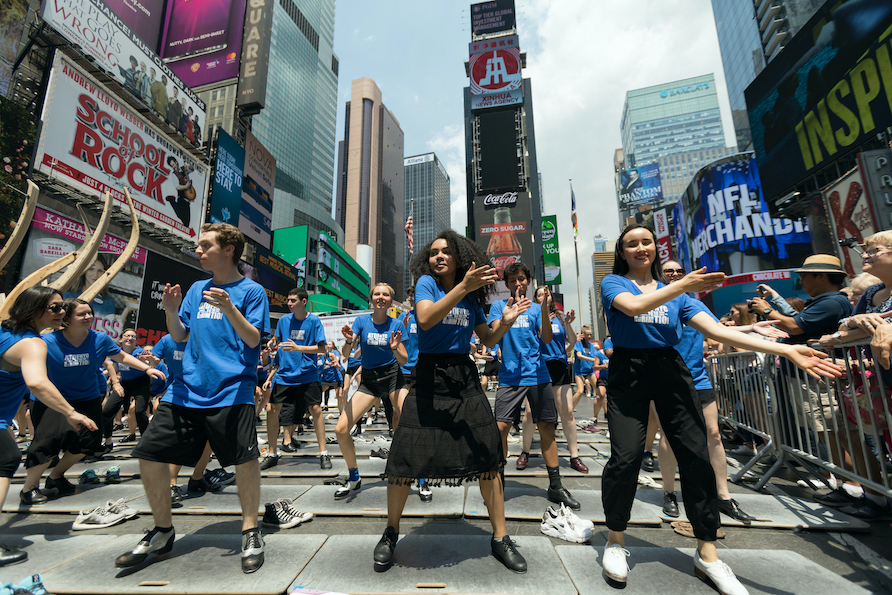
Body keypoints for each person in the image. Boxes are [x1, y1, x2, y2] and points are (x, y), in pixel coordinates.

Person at [598, 224, 841, 593]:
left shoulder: (680, 296)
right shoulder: (614, 284)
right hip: (627, 372)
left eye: (647, 241)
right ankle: (615, 540)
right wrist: (681, 285)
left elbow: (721, 332)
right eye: (632, 244)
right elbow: (634, 307)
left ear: (654, 248)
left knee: (697, 456)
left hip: (670, 368)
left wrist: (786, 348)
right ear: (623, 252)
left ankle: (707, 553)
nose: (641, 248)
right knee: (626, 457)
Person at [115, 222, 270, 574]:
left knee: (244, 461)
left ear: (229, 249)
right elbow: (180, 336)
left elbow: (252, 340)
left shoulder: (251, 292)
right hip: (185, 389)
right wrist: (170, 310)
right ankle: (162, 530)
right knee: (150, 453)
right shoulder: (197, 289)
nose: (198, 251)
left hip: (232, 389)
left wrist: (231, 309)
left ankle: (249, 530)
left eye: (205, 246)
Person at [377, 230, 530, 573]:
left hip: (464, 377)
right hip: (428, 377)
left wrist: (504, 323)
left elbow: (487, 337)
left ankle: (500, 537)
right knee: (404, 456)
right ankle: (390, 532)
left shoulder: (473, 298)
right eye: (433, 253)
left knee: (488, 455)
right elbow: (426, 318)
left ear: (459, 256)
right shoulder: (428, 285)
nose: (439, 257)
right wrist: (464, 286)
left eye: (446, 252)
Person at [22, 299, 164, 505]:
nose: (88, 317)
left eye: (90, 313)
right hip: (52, 400)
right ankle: (29, 488)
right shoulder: (46, 341)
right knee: (48, 442)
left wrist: (146, 368)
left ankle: (55, 477)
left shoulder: (100, 339)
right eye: (82, 314)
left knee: (88, 442)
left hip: (86, 398)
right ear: (67, 319)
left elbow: (121, 356)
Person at [0, 287, 98, 565]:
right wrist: (70, 412)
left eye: (62, 307)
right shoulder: (34, 344)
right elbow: (37, 382)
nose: (62, 312)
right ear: (34, 309)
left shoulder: (6, 332)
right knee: (6, 459)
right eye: (54, 307)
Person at [657, 260, 757, 524]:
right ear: (661, 276)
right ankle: (669, 492)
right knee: (669, 437)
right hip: (668, 379)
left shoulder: (696, 304)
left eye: (680, 271)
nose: (675, 274)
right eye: (669, 271)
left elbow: (719, 332)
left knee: (713, 434)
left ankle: (723, 496)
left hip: (699, 379)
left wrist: (754, 327)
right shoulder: (655, 302)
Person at [488, 262, 579, 510]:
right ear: (506, 284)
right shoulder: (498, 306)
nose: (517, 284)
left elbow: (547, 338)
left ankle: (555, 485)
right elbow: (492, 336)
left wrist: (544, 309)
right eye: (512, 280)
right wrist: (508, 317)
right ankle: (498, 481)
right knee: (501, 427)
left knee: (547, 427)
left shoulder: (538, 309)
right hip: (509, 376)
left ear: (528, 281)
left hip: (538, 375)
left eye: (521, 279)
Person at [336, 284, 408, 500]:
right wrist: (349, 341)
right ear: (371, 298)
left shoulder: (396, 323)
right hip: (369, 380)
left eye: (385, 294)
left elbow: (404, 359)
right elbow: (346, 354)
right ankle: (354, 475)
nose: (381, 297)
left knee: (407, 422)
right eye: (377, 294)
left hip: (394, 377)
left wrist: (395, 347)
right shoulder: (361, 321)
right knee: (341, 429)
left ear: (390, 300)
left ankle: (418, 475)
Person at [517, 287, 588, 473]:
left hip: (559, 367)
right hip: (539, 367)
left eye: (546, 294)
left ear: (551, 298)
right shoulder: (532, 315)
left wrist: (570, 324)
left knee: (568, 412)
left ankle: (574, 456)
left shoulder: (560, 318)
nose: (543, 296)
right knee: (531, 413)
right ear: (535, 299)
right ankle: (525, 452)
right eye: (540, 294)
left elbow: (572, 342)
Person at [258, 288, 327, 469]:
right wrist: (273, 341)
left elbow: (322, 349)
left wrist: (299, 349)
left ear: (304, 302)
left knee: (316, 409)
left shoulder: (314, 321)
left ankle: (323, 453)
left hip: (306, 373)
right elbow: (277, 338)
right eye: (288, 300)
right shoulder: (283, 320)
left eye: (293, 300)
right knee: (272, 409)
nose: (289, 303)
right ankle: (272, 453)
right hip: (284, 374)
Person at [101, 329, 152, 445]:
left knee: (139, 411)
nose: (129, 338)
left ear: (136, 341)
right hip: (125, 384)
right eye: (127, 335)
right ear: (121, 339)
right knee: (107, 411)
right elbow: (113, 368)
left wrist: (144, 362)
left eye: (133, 336)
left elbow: (148, 365)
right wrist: (99, 374)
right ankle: (108, 441)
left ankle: (146, 441)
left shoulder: (139, 352)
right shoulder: (117, 352)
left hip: (141, 384)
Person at [319, 341, 343, 412]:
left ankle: (342, 414)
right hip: (326, 378)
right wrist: (329, 363)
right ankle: (312, 414)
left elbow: (338, 367)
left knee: (339, 396)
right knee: (317, 395)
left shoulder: (332, 354)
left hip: (336, 377)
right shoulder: (319, 355)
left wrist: (335, 364)